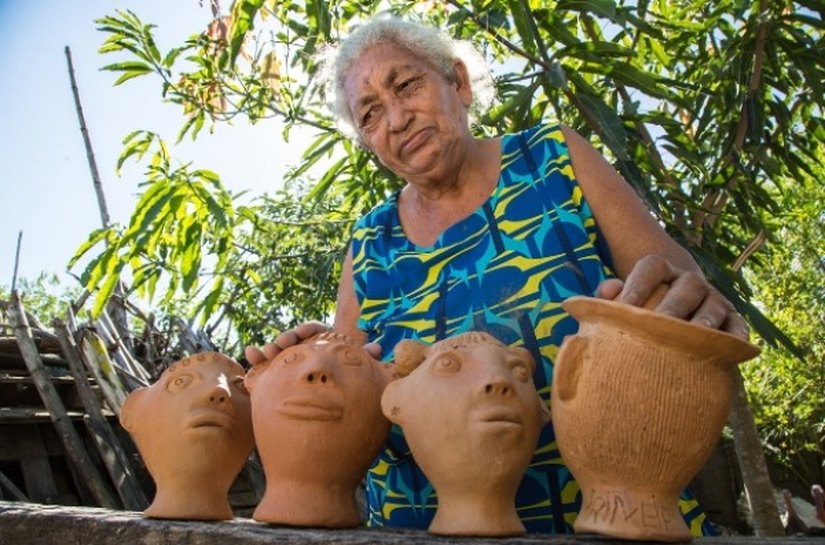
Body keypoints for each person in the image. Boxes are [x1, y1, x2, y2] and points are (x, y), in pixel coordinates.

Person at [245, 16, 748, 535]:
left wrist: (689, 304)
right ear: (368, 142)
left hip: (617, 525)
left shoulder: (551, 159)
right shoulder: (372, 241)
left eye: (407, 85)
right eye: (370, 114)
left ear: (458, 82)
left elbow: (676, 287)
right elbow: (353, 399)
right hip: (416, 533)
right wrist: (305, 366)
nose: (396, 119)